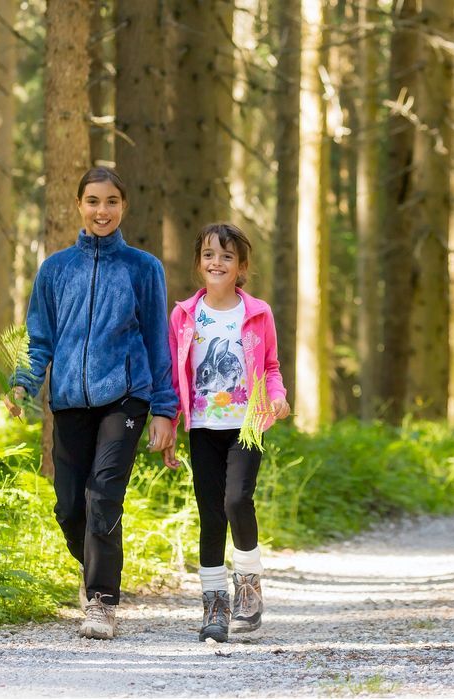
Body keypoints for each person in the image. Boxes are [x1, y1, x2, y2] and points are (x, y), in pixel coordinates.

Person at [5, 166, 178, 640]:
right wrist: (23, 382)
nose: (103, 211)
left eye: (112, 202)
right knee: (68, 507)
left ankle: (102, 600)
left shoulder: (143, 268)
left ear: (124, 206)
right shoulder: (56, 269)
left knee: (103, 493)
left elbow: (158, 343)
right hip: (69, 401)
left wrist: (165, 409)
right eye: (94, 201)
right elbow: (39, 338)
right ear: (78, 205)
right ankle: (95, 568)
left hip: (125, 397)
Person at [161, 222, 289, 643]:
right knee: (210, 514)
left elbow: (269, 366)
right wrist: (171, 423)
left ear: (241, 266)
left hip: (246, 425)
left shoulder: (256, 312)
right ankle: (214, 602)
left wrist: (278, 396)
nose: (217, 262)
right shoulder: (184, 316)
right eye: (209, 255)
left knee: (237, 501)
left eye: (227, 256)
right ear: (199, 263)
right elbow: (174, 376)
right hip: (203, 428)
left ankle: (248, 589)